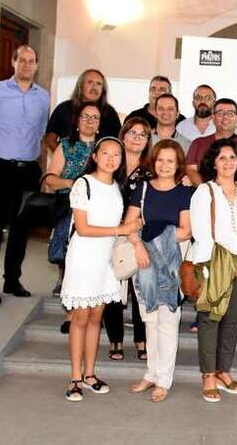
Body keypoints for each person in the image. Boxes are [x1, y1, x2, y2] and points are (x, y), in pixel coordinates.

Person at [62, 137, 140, 402]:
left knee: (97, 318)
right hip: (84, 256)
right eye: (105, 153)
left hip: (106, 259)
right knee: (81, 318)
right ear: (95, 156)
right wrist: (121, 229)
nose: (111, 158)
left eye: (116, 154)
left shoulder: (117, 187)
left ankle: (90, 374)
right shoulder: (83, 184)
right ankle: (74, 377)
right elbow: (83, 228)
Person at [0, 45, 49, 305]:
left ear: (37, 65)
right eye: (22, 60)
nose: (27, 64)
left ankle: (12, 280)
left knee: (21, 228)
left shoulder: (43, 96)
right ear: (13, 63)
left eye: (32, 60)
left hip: (27, 170)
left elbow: (40, 131)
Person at [190, 138, 237, 403]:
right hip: (214, 261)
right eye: (222, 157)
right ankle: (208, 374)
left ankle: (223, 371)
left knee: (233, 319)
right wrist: (223, 261)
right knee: (210, 318)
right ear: (213, 162)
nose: (228, 162)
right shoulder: (204, 191)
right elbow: (200, 231)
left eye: (232, 157)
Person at [125, 140, 193, 402]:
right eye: (160, 160)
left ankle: (164, 379)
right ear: (153, 162)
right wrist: (139, 245)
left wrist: (150, 233)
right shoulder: (142, 189)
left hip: (172, 265)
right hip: (143, 263)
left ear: (178, 165)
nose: (165, 165)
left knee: (168, 322)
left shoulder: (184, 192)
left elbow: (187, 230)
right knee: (149, 319)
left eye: (171, 161)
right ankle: (151, 373)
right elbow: (129, 224)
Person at [102, 117, 153, 361]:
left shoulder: (152, 169)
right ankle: (115, 340)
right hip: (108, 233)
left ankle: (142, 339)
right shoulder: (110, 164)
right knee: (112, 286)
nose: (136, 137)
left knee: (139, 288)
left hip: (140, 234)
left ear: (148, 140)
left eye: (142, 134)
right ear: (123, 135)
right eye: (132, 132)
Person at [44, 101, 100, 296]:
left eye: (95, 117)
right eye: (85, 116)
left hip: (96, 206)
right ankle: (65, 279)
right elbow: (50, 179)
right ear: (77, 120)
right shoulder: (66, 145)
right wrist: (73, 183)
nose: (90, 121)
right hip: (68, 205)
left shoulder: (105, 147)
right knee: (67, 245)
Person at [185, 98, 237, 187]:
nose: (225, 117)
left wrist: (235, 192)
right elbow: (191, 171)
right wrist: (208, 192)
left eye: (230, 113)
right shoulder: (198, 143)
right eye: (220, 113)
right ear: (213, 118)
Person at [45, 69, 121, 152]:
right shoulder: (64, 108)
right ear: (81, 86)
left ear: (103, 89)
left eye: (98, 84)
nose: (94, 87)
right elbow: (50, 138)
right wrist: (64, 158)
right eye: (90, 82)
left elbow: (119, 141)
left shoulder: (110, 113)